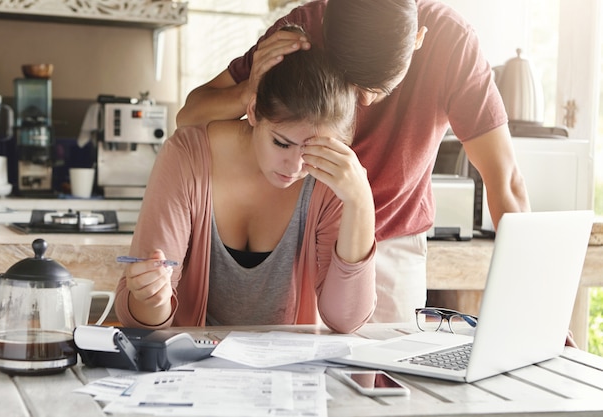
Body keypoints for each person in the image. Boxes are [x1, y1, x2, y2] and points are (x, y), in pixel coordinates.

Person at [176, 0, 531, 323]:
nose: (362, 102)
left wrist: (536, 305)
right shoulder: (302, 30)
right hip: (305, 242)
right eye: (352, 82)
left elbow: (505, 181)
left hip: (393, 237)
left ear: (418, 39)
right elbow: (190, 116)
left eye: (378, 89)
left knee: (390, 379)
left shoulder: (452, 42)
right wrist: (249, 88)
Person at [115, 38, 377, 334]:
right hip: (193, 370)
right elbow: (137, 320)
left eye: (312, 152)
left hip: (291, 371)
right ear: (253, 111)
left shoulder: (330, 178)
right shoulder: (185, 157)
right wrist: (152, 299)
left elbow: (346, 320)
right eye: (281, 143)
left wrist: (360, 202)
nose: (295, 167)